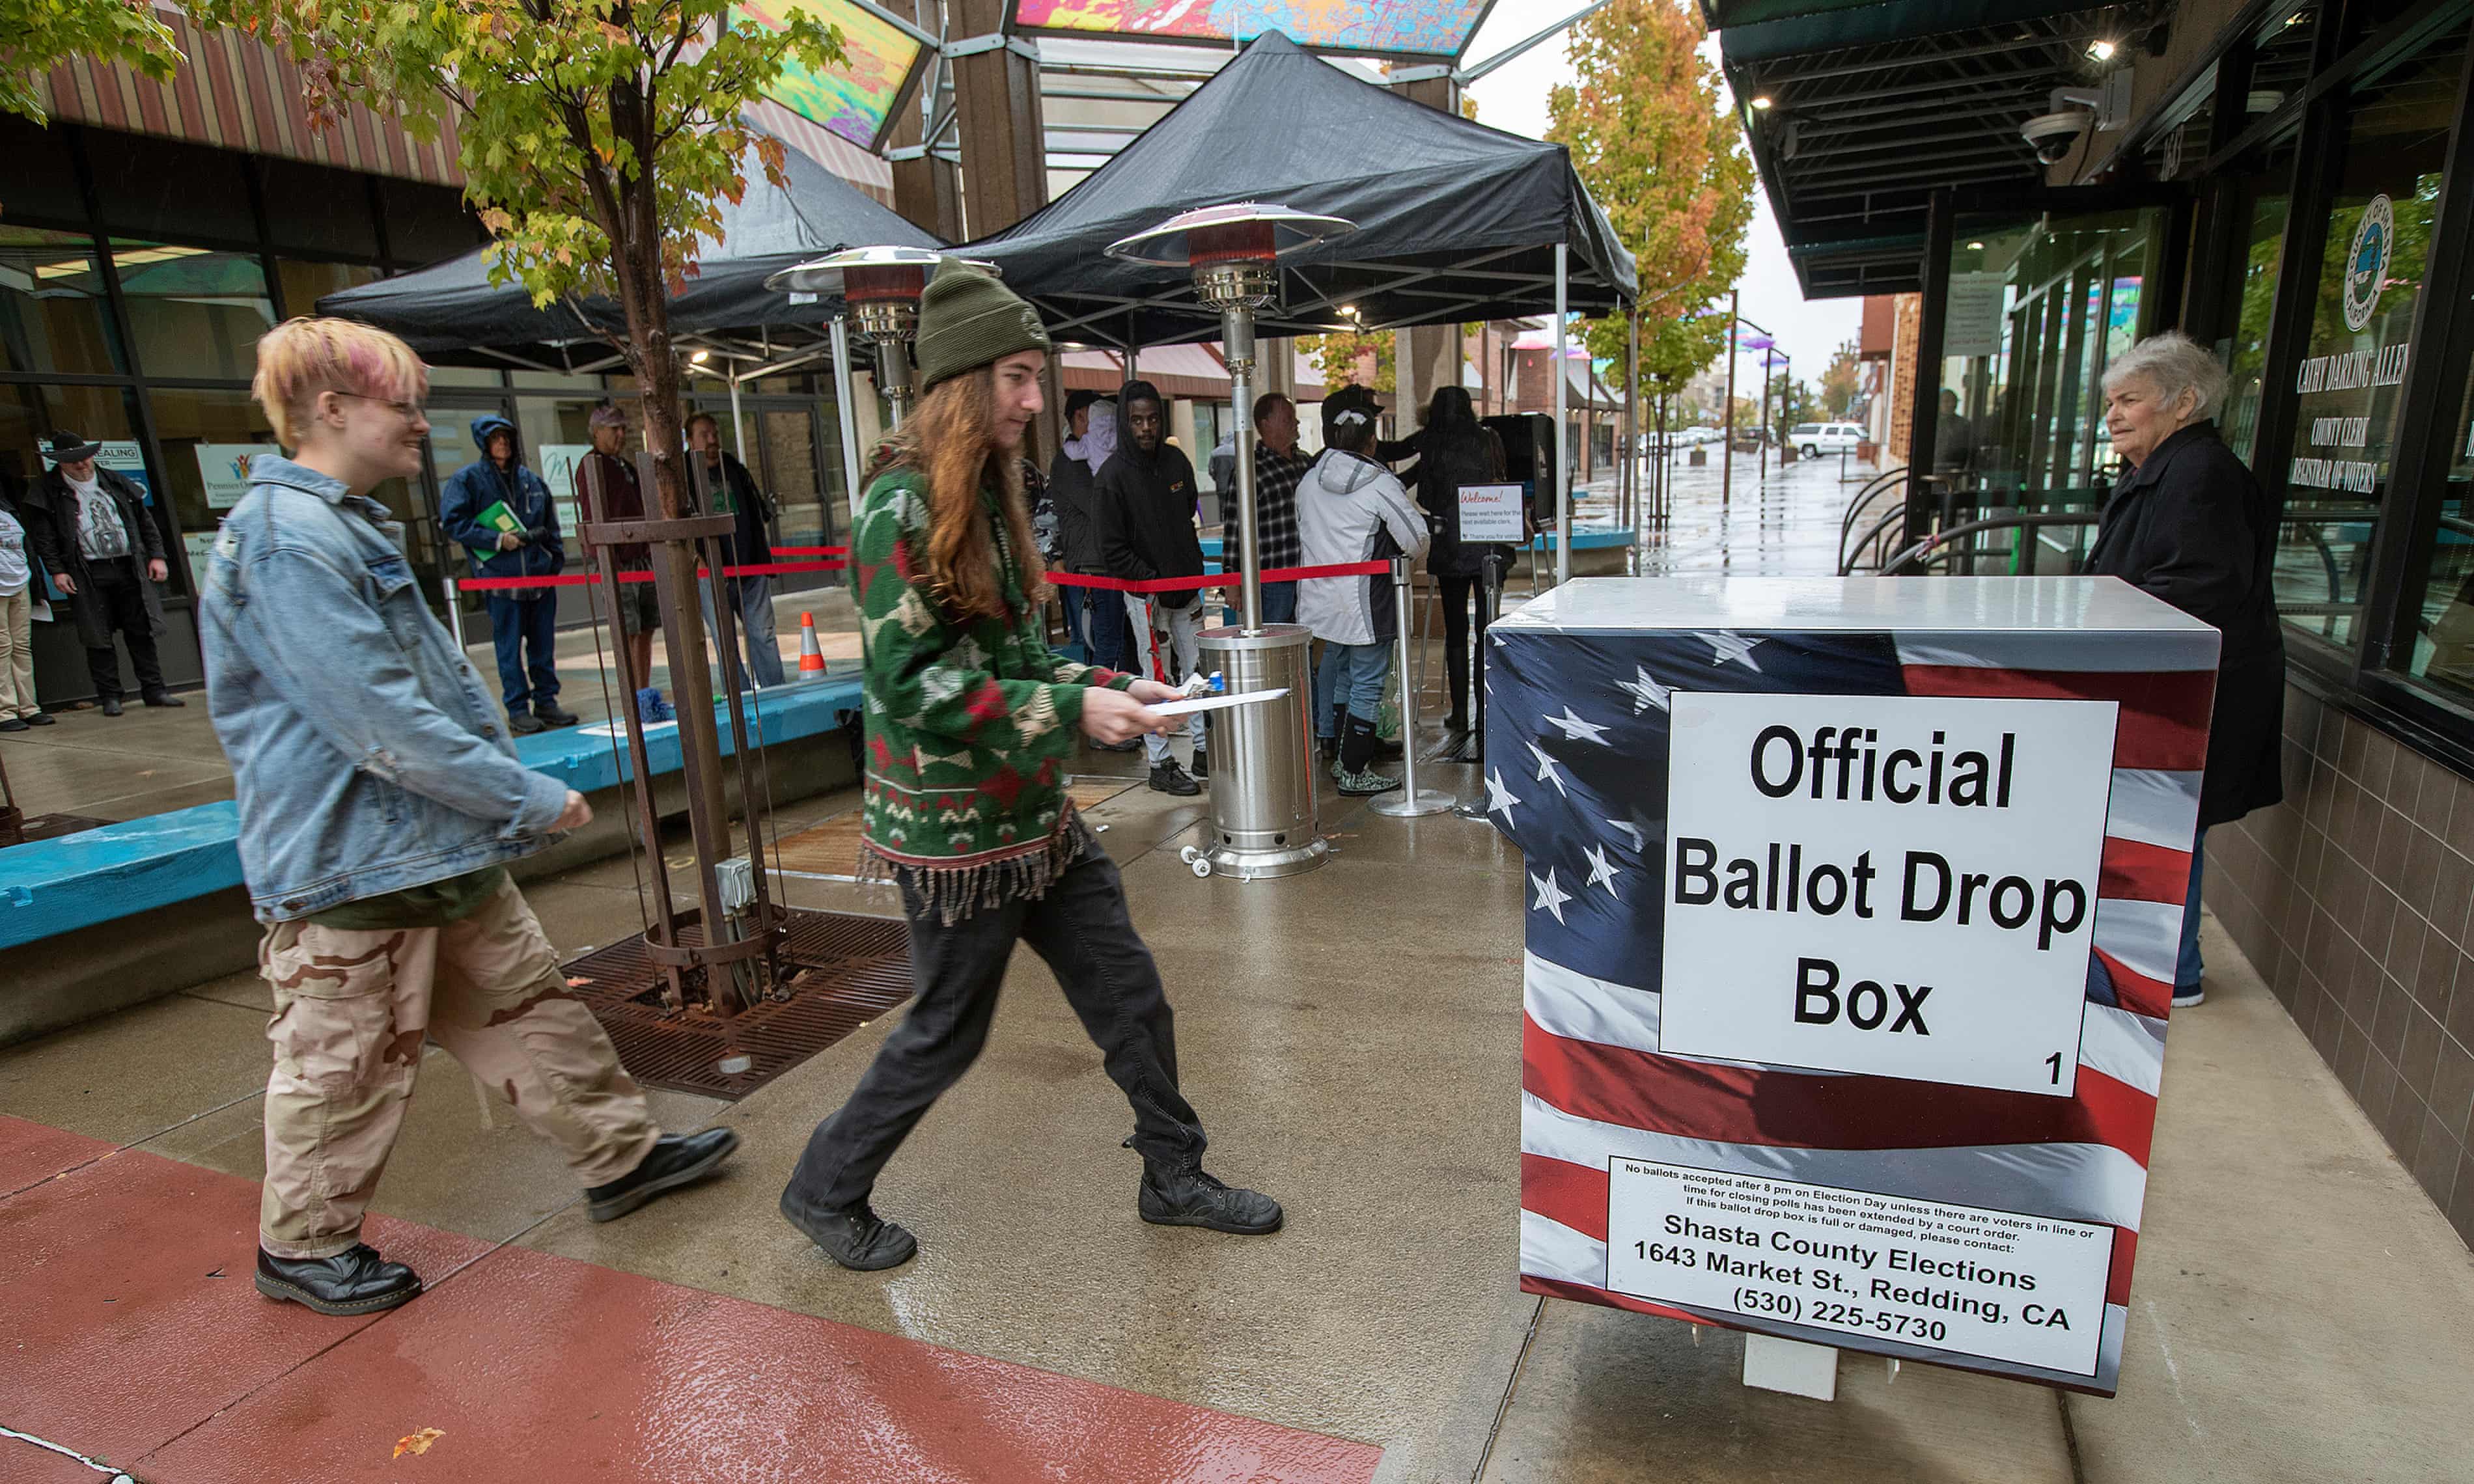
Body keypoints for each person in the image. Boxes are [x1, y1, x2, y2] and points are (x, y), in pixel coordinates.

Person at [206, 318, 734, 1317]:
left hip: (418, 850)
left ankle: (621, 1158)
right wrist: (521, 795)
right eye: (399, 404)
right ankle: (304, 1247)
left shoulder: (334, 523)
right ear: (329, 410)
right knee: (342, 1061)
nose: (420, 423)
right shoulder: (288, 540)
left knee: (531, 1009)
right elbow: (377, 719)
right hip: (353, 865)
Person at [776, 267, 1281, 1272]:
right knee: (946, 1033)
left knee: (1129, 991)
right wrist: (1069, 708)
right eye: (1015, 377)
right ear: (962, 381)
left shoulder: (989, 492)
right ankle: (824, 1190)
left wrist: (1117, 685)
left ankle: (1172, 1173)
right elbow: (911, 685)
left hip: (1034, 818)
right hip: (954, 838)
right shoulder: (897, 509)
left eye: (1034, 377)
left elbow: (1012, 663)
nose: (1034, 400)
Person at [2086, 331, 2284, 1008]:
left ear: (2183, 402)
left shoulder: (2199, 475)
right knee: (2159, 820)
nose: (2112, 415)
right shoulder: (2162, 471)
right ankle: (2163, 965)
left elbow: (2196, 587)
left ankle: (2174, 973)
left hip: (2188, 693)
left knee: (2166, 822)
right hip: (2162, 689)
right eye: (2110, 402)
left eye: (2129, 400)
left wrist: (2104, 626)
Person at [1298, 385, 1429, 796]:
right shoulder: (1379, 484)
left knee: (1341, 680)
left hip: (1320, 602)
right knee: (1368, 684)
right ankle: (1355, 770)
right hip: (1366, 602)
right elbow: (1415, 539)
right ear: (1372, 441)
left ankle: (1341, 761)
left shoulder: (1307, 481)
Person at [1096, 378, 1209, 794]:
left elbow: (1186, 517)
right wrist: (1149, 578)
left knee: (1198, 671)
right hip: (1145, 597)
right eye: (1137, 420)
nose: (1146, 428)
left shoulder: (1176, 462)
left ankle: (1202, 749)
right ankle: (1160, 763)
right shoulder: (1112, 477)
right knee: (1154, 677)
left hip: (1187, 588)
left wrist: (1187, 571)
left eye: (1153, 419)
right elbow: (1111, 548)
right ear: (1126, 424)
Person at [21, 431, 180, 715]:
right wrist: (57, 571)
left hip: (128, 565)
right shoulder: (49, 490)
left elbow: (145, 522)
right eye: (73, 462)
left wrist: (157, 556)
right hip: (86, 571)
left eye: (84, 458)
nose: (81, 465)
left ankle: (155, 689)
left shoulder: (114, 481)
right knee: (98, 636)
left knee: (140, 631)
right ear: (60, 463)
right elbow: (43, 538)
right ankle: (110, 696)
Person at [1383, 386, 1508, 737]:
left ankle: (1459, 713)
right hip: (1489, 543)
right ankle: (1487, 713)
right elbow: (1501, 477)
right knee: (1487, 629)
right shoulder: (1487, 439)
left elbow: (1396, 460)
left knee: (1456, 633)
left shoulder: (1430, 440)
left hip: (1449, 545)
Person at [439, 414, 575, 733]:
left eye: (506, 437)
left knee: (543, 645)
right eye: (495, 438)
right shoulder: (467, 481)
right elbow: (454, 523)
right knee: (508, 647)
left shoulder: (531, 480)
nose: (503, 443)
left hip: (539, 580)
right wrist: (497, 540)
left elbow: (551, 524)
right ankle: (517, 708)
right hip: (502, 580)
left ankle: (547, 701)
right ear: (484, 443)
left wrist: (553, 561)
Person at [575, 402, 672, 722]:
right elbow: (592, 518)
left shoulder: (624, 466)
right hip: (619, 561)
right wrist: (608, 559)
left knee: (645, 629)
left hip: (641, 556)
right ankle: (634, 701)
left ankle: (643, 696)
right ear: (596, 432)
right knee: (629, 631)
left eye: (623, 429)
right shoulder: (592, 466)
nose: (620, 434)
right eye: (613, 429)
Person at [685, 411, 786, 691]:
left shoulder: (734, 468)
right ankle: (740, 702)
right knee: (724, 641)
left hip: (750, 567)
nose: (713, 440)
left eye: (715, 433)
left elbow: (756, 513)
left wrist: (762, 560)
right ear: (690, 441)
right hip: (712, 575)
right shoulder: (684, 478)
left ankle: (776, 694)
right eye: (705, 435)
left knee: (763, 635)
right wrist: (699, 561)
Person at [1250, 392, 1313, 627]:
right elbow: (1237, 528)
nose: (1296, 423)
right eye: (1288, 419)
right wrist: (1234, 583)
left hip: (1308, 573)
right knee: (1275, 642)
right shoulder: (1252, 468)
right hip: (1273, 576)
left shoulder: (1305, 462)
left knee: (1308, 638)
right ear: (1266, 424)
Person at [0, 480, 53, 732]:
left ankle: (29, 708)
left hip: (19, 583)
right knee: (2, 647)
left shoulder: (7, 509)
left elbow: (24, 548)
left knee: (21, 646)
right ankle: (4, 712)